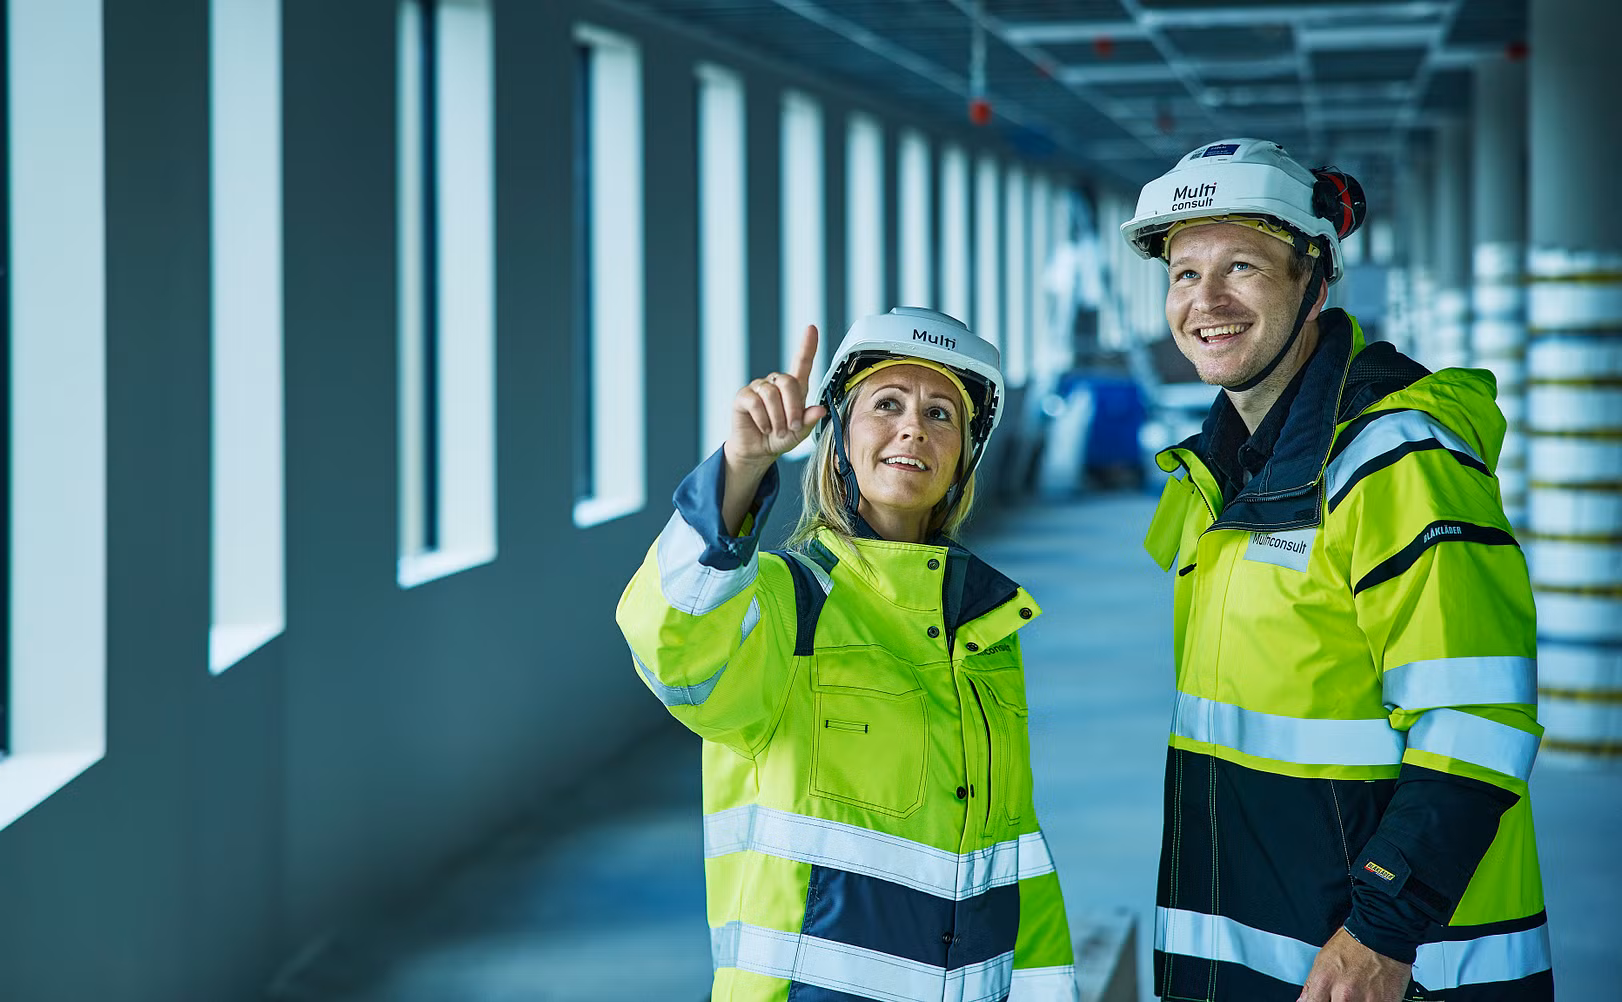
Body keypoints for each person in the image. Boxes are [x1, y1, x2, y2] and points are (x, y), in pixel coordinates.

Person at [1123, 138, 1552, 1002]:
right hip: (1256, 942)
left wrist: (1381, 935)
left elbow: (1474, 716)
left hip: (1391, 966)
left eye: (1241, 266)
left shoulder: (1398, 461)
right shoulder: (1224, 471)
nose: (1205, 302)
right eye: (1182, 273)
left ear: (1313, 280)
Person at [617, 309, 1078, 1001]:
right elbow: (670, 644)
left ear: (964, 454)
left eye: (941, 413)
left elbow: (1014, 858)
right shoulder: (786, 602)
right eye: (886, 405)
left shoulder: (985, 633)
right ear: (838, 434)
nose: (913, 428)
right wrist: (740, 471)